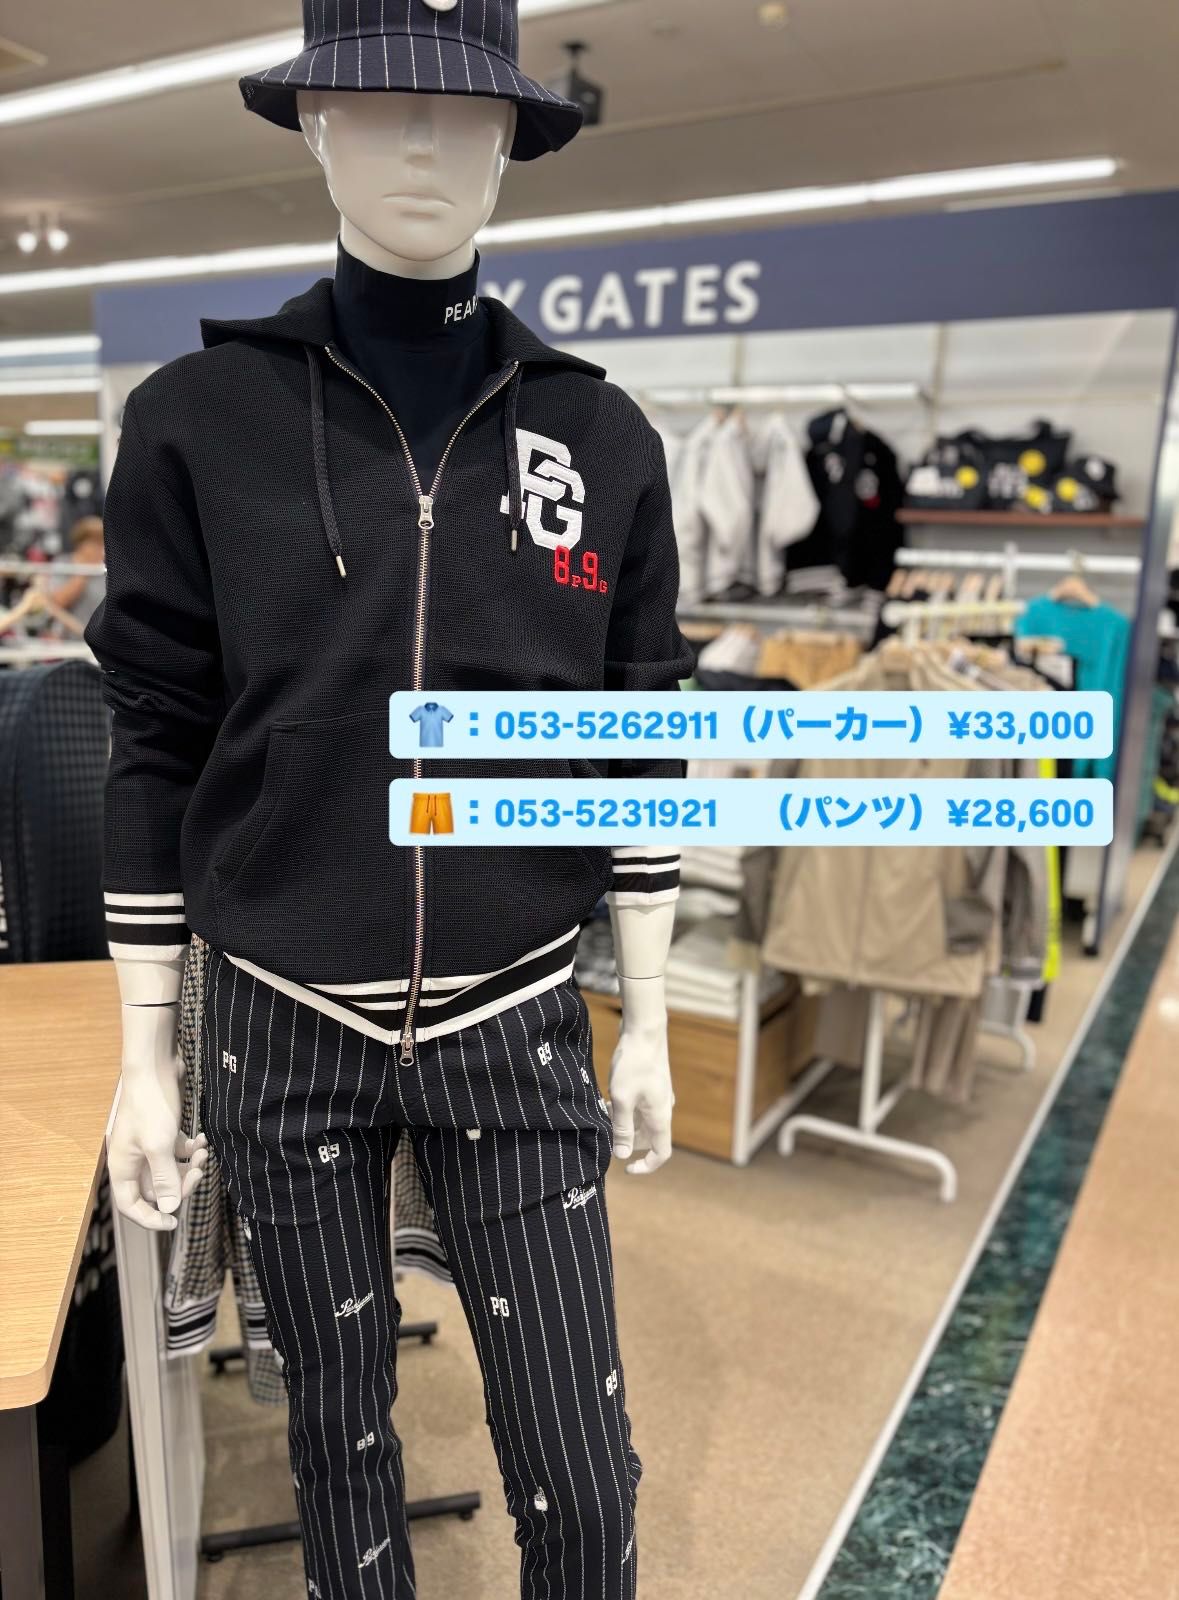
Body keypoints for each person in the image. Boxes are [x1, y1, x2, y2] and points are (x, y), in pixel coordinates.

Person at [49, 515, 105, 628]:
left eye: (102, 543)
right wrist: (82, 572)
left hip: (101, 634)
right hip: (68, 634)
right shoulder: (64, 563)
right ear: (80, 543)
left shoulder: (108, 569)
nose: (99, 549)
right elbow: (56, 603)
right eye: (94, 543)